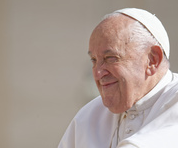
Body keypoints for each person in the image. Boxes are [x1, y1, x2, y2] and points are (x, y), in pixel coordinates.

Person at [58, 8, 178, 148]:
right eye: (94, 60)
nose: (97, 74)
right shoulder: (88, 116)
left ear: (152, 60)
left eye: (110, 58)